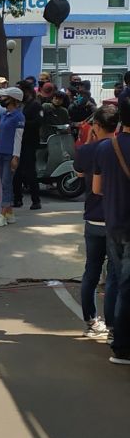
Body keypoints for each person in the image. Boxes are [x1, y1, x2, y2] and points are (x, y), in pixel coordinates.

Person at [91, 96, 130, 367]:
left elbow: (96, 189)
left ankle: (114, 334)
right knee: (126, 285)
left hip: (113, 222)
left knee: (116, 279)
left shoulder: (106, 147)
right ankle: (122, 347)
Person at [75, 104, 118, 339]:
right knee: (113, 274)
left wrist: (91, 139)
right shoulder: (119, 147)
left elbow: (80, 173)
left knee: (91, 271)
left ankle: (91, 320)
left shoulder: (87, 151)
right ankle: (113, 326)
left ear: (96, 126)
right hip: (115, 218)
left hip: (92, 217)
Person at [0, 86, 25, 227]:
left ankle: (3, 214)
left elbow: (18, 138)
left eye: (4, 97)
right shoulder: (4, 114)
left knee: (6, 184)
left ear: (12, 99)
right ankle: (9, 213)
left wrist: (15, 157)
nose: (1, 99)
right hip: (0, 153)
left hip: (10, 155)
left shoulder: (19, 117)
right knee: (5, 184)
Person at [13, 80, 42, 210]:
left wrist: (21, 124)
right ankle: (17, 198)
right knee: (17, 172)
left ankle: (36, 200)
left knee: (30, 172)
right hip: (19, 142)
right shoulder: (19, 105)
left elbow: (38, 122)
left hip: (29, 142)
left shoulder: (35, 105)